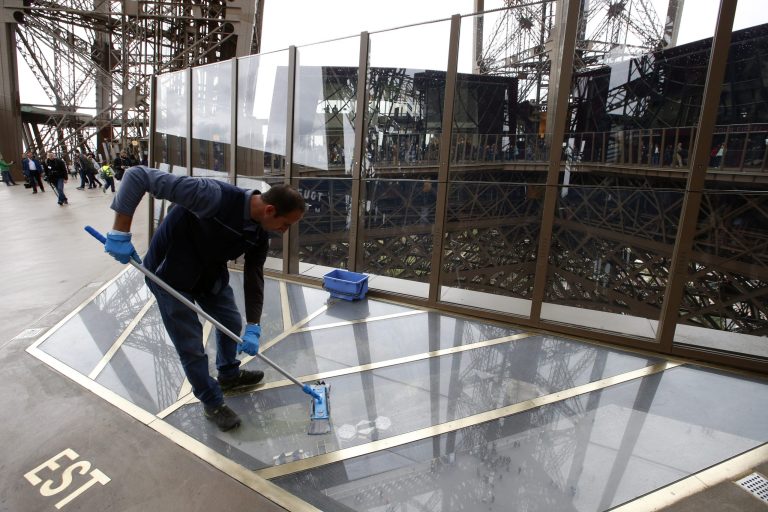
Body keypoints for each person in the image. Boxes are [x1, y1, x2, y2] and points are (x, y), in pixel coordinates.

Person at [102, 166, 306, 431]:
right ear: (270, 210)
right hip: (170, 277)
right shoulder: (212, 196)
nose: (285, 231)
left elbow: (254, 275)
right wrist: (120, 231)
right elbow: (137, 176)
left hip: (209, 275)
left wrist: (254, 325)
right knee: (192, 347)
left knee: (231, 322)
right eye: (286, 224)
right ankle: (212, 402)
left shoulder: (259, 234)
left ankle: (229, 375)